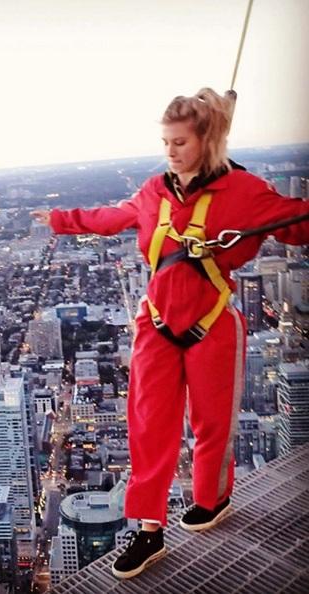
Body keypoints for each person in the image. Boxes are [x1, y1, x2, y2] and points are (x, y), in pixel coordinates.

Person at [31, 88, 309, 580]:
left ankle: (211, 500)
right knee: (148, 427)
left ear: (207, 140)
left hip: (213, 323)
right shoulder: (154, 191)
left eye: (180, 141)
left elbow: (295, 223)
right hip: (156, 325)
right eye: (166, 142)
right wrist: (61, 220)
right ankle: (149, 527)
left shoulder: (243, 192)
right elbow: (112, 217)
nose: (171, 152)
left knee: (212, 421)